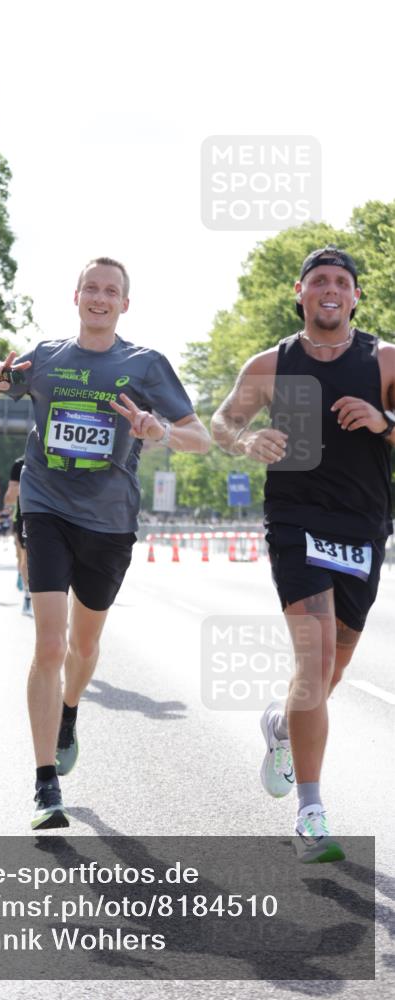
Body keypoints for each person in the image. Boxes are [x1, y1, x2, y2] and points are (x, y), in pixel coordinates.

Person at [0, 257, 210, 829]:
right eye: (91, 288)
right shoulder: (43, 358)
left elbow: (202, 438)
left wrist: (158, 429)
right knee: (49, 645)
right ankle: (46, 785)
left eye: (111, 290)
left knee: (83, 648)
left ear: (124, 303)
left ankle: (70, 710)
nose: (100, 297)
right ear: (75, 297)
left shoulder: (145, 365)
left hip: (109, 522)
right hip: (45, 508)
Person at [210, 245, 395, 863]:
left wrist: (383, 420)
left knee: (330, 673)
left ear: (355, 296)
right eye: (319, 280)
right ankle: (311, 812)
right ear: (300, 292)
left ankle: (283, 728)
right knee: (313, 660)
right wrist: (246, 438)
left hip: (365, 526)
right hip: (296, 523)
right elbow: (221, 422)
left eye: (342, 281)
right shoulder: (272, 365)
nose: (330, 289)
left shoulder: (385, 359)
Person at [4, 454, 33, 616]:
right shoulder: (20, 464)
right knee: (24, 557)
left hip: (57, 515)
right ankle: (27, 596)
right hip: (26, 515)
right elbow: (9, 497)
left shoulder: (65, 456)